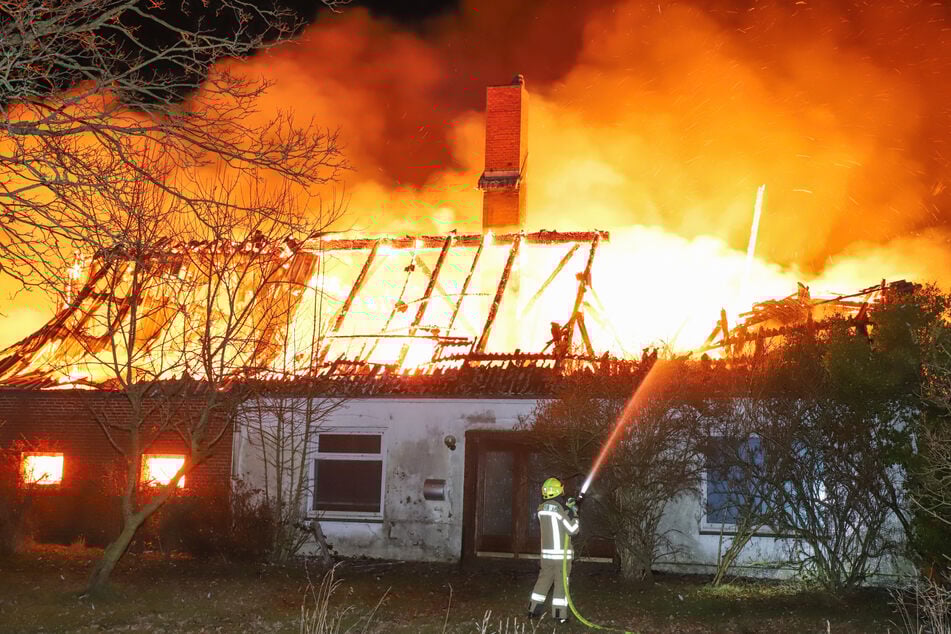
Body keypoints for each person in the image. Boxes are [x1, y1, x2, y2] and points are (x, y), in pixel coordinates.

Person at [528, 477, 581, 624]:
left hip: (546, 555)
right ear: (558, 490)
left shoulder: (541, 509)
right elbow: (573, 530)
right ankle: (560, 615)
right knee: (561, 584)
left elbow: (555, 518)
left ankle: (533, 610)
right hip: (561, 557)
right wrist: (574, 512)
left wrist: (567, 508)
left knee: (543, 581)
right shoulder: (561, 509)